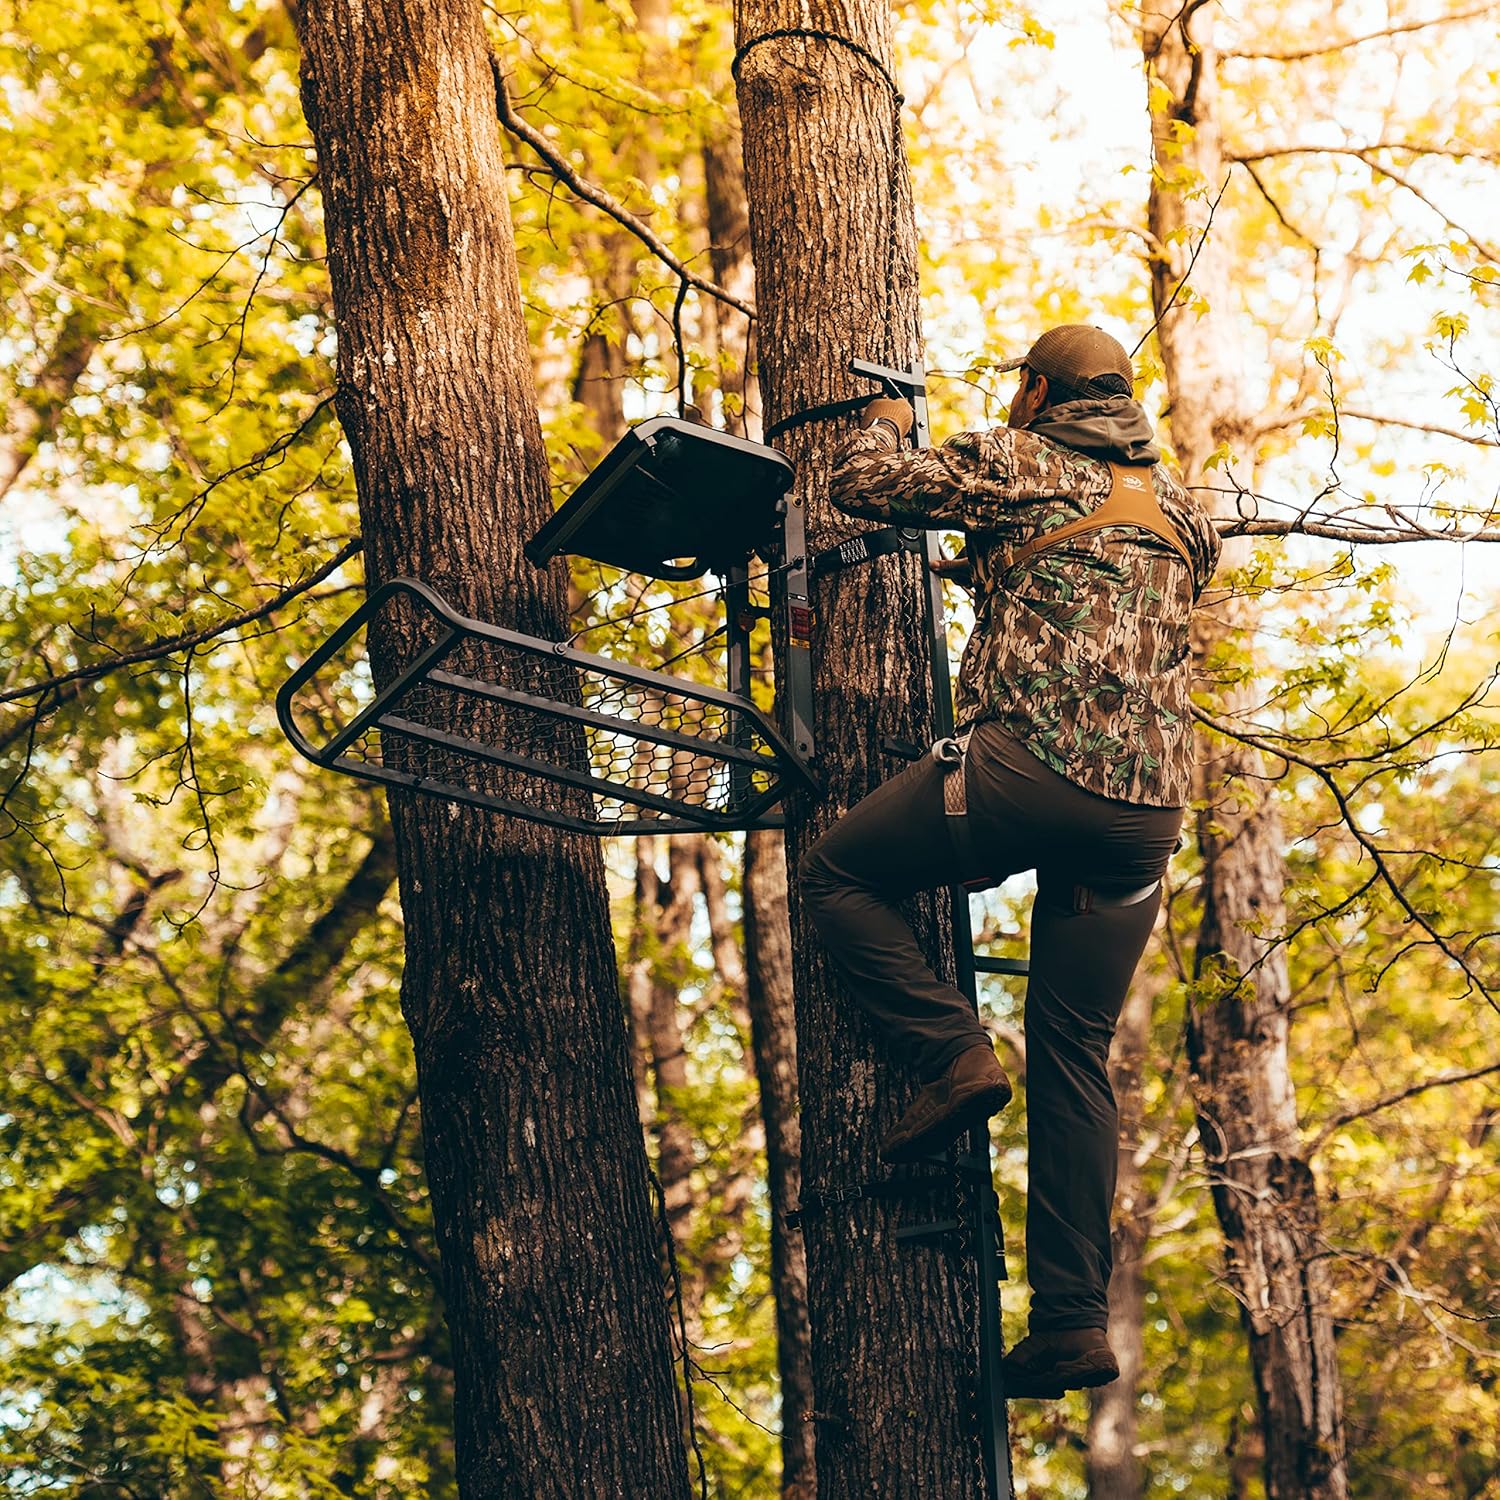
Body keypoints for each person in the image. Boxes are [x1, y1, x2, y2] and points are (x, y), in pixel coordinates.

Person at [798, 324, 1221, 1400]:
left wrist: (886, 416)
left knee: (840, 876)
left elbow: (863, 484)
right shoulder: (1183, 512)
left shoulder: (1020, 457)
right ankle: (1072, 1325)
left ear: (1037, 391)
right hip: (1144, 819)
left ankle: (952, 1054)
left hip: (1030, 772)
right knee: (1076, 1057)